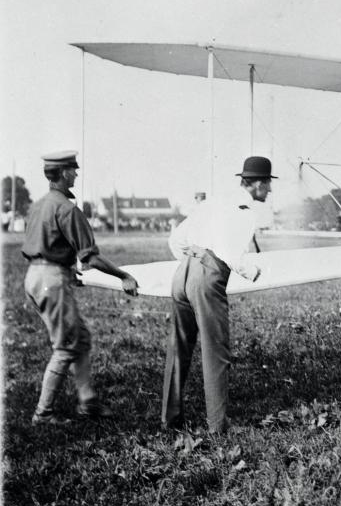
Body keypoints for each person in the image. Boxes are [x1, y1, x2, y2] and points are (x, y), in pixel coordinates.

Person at [22, 150, 139, 425]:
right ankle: (43, 413)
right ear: (63, 173)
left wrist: (64, 267)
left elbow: (45, 245)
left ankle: (88, 401)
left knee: (80, 338)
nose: (76, 173)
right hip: (52, 281)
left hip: (35, 276)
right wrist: (124, 275)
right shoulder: (67, 208)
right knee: (66, 347)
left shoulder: (38, 205)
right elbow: (91, 257)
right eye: (73, 170)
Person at [161, 156, 275, 434]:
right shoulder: (244, 208)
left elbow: (176, 240)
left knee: (179, 347)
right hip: (207, 275)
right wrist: (250, 270)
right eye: (268, 184)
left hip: (182, 274)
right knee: (216, 351)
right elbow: (227, 248)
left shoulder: (214, 201)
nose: (269, 191)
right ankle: (218, 427)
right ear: (258, 183)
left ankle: (169, 419)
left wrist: (192, 259)